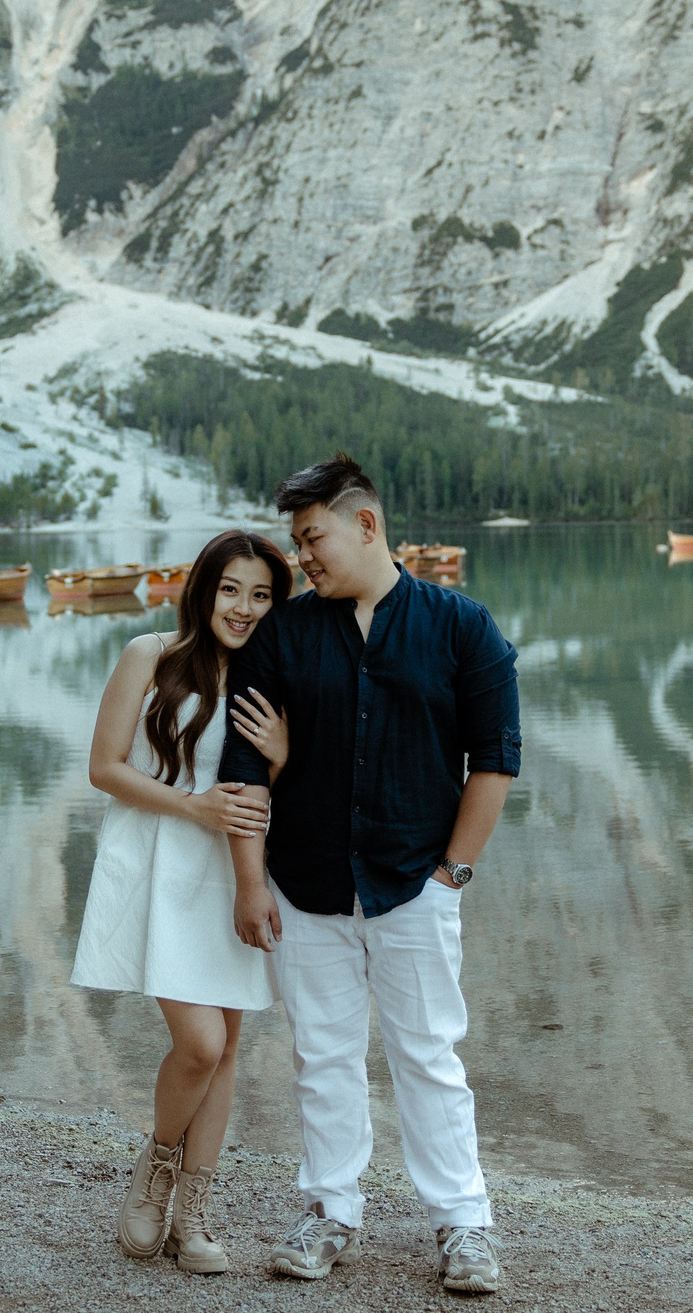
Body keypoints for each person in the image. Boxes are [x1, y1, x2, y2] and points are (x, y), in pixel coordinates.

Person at [217, 454, 520, 1297]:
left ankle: (463, 1226)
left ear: (366, 525)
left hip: (414, 886)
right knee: (323, 1055)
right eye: (295, 541)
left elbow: (494, 762)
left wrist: (453, 874)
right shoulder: (283, 636)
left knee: (428, 1055)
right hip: (304, 886)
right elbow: (243, 771)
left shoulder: (463, 627)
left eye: (310, 539)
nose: (301, 557)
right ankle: (329, 1213)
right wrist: (250, 884)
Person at [69, 528, 296, 1273]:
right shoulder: (151, 654)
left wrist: (286, 760)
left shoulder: (273, 678)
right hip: (162, 866)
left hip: (236, 873)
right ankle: (157, 1166)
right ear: (203, 588)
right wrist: (190, 806)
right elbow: (104, 768)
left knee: (227, 1048)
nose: (244, 607)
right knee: (199, 1044)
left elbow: (279, 794)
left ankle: (193, 1216)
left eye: (262, 595)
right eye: (232, 588)